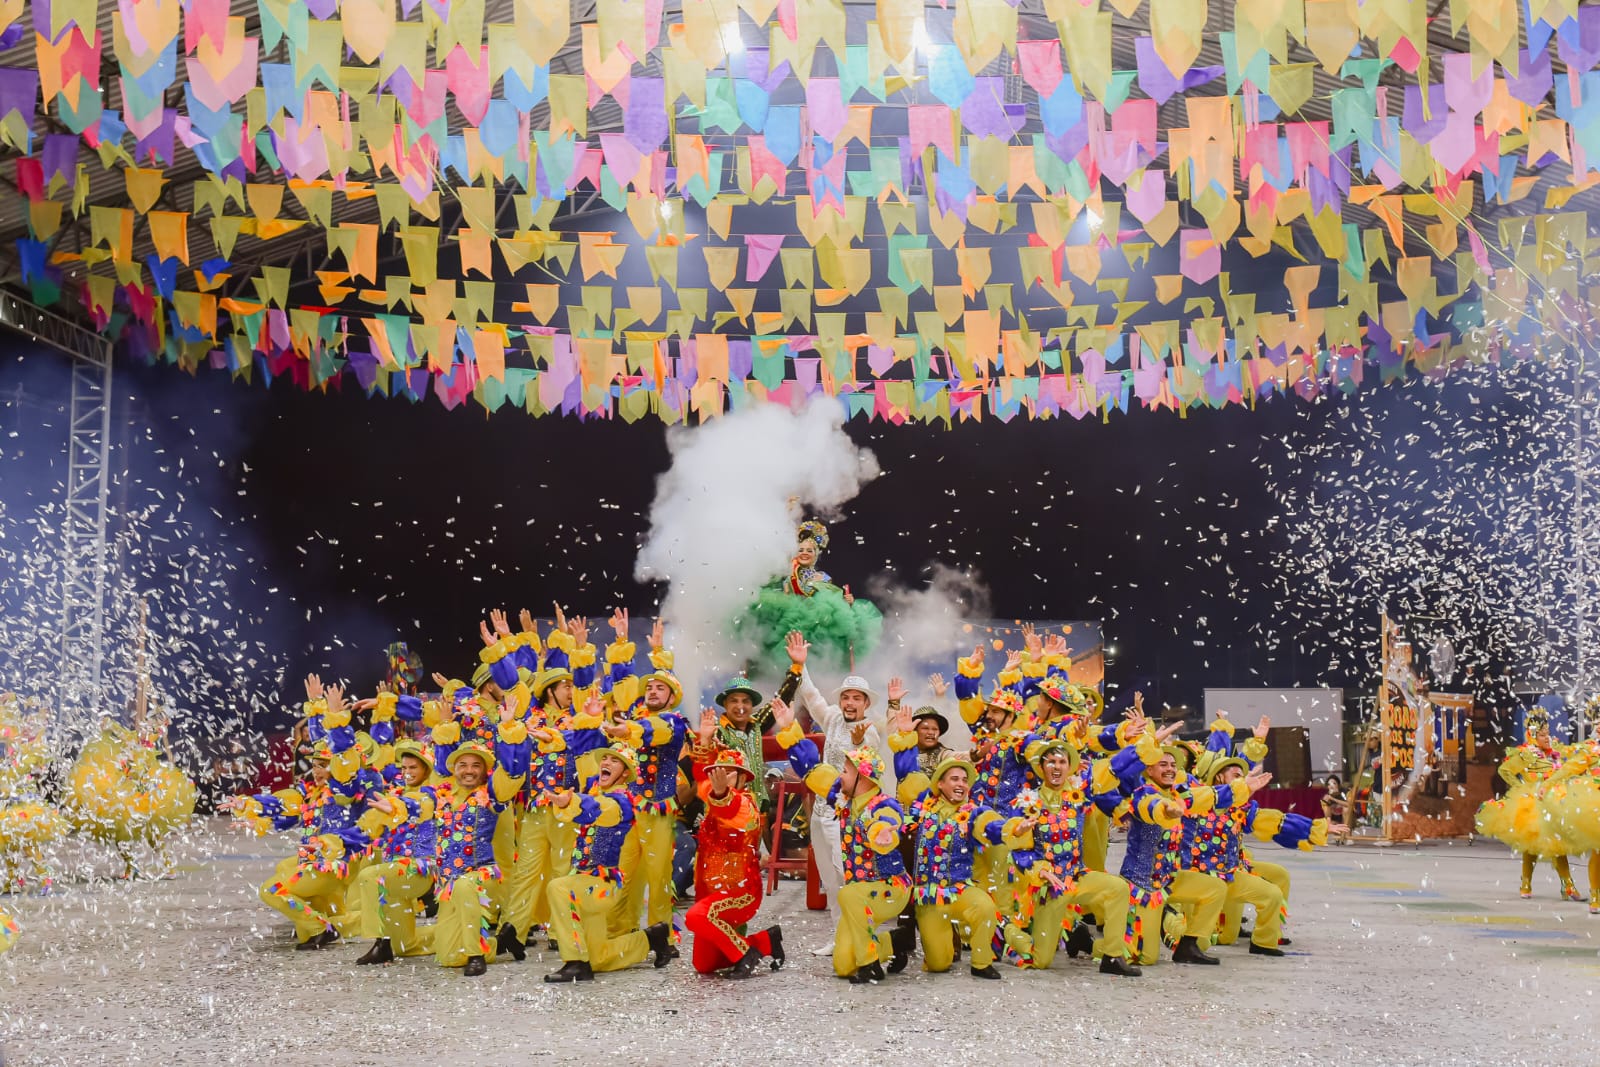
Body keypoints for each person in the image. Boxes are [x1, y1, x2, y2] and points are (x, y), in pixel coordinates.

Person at [888, 706, 1034, 980]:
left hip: (959, 891)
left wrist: (1014, 827)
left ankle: (981, 962)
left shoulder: (972, 812)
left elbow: (991, 826)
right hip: (930, 896)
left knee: (986, 906)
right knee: (939, 963)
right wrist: (906, 737)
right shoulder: (923, 804)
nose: (961, 784)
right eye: (954, 779)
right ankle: (891, 944)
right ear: (940, 784)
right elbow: (906, 773)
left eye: (965, 780)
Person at [771, 696, 908, 983]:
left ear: (864, 777)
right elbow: (813, 770)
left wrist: (883, 833)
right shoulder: (843, 798)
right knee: (843, 965)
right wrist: (789, 730)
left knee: (847, 894)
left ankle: (870, 965)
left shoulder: (883, 804)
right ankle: (893, 943)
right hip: (860, 895)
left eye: (845, 771)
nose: (840, 775)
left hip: (889, 889)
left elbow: (889, 822)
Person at [788, 630, 894, 955]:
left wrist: (860, 743)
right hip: (821, 810)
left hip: (847, 817)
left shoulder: (870, 731)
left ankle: (861, 937)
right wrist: (801, 665)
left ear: (865, 704)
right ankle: (839, 937)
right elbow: (810, 696)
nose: (849, 702)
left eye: (856, 698)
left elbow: (868, 768)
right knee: (830, 880)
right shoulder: (833, 717)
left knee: (848, 878)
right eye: (846, 697)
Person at [1117, 744, 1270, 966]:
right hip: (1143, 886)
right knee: (1143, 957)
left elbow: (1208, 795)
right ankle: (1091, 942)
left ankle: (1188, 946)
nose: (1170, 769)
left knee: (1215, 887)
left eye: (1173, 765)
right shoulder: (1143, 794)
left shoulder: (1179, 794)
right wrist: (1165, 810)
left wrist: (1240, 788)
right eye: (1163, 764)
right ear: (1149, 770)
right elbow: (1152, 806)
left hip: (1170, 879)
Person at [1006, 735, 1144, 976]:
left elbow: (1111, 769)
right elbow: (1019, 851)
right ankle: (1007, 930)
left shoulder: (1079, 794)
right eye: (1051, 761)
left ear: (1069, 767)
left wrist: (1144, 746)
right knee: (1040, 960)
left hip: (1078, 877)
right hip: (1049, 887)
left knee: (1119, 889)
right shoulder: (1027, 802)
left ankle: (1111, 957)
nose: (1056, 767)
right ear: (1041, 767)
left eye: (1062, 762)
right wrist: (1041, 870)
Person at [544, 744, 674, 982]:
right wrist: (564, 804)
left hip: (603, 885)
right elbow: (577, 811)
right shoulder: (596, 793)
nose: (606, 762)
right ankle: (651, 938)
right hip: (585, 880)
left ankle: (575, 962)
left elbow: (598, 811)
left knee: (559, 887)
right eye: (604, 758)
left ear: (624, 774)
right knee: (598, 958)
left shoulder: (621, 801)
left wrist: (571, 802)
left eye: (614, 761)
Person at [429, 711, 532, 976]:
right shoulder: (443, 794)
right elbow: (416, 802)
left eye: (476, 765)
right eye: (463, 765)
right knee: (449, 957)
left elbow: (512, 772)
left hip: (482, 875)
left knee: (466, 885)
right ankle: (502, 943)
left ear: (485, 770)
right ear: (454, 769)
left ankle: (477, 956)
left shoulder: (492, 794)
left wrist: (508, 728)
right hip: (449, 882)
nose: (469, 770)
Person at [683, 726, 784, 977]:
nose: (721, 776)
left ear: (742, 779)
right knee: (704, 965)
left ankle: (745, 954)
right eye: (718, 772)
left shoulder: (746, 806)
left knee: (694, 916)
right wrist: (704, 741)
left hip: (740, 893)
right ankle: (765, 942)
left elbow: (729, 810)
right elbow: (703, 781)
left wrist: (721, 793)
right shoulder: (713, 797)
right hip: (711, 893)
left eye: (729, 772)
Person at [737, 518, 883, 676]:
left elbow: (832, 601)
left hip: (814, 629)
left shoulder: (822, 577)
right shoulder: (787, 573)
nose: (804, 553)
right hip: (786, 624)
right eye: (801, 550)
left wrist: (849, 602)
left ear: (816, 555)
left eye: (809, 550)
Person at [1476, 709, 1579, 899]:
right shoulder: (1527, 754)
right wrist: (1521, 787)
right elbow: (1505, 770)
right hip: (1533, 803)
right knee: (1531, 845)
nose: (1547, 737)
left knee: (1557, 843)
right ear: (1532, 735)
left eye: (1548, 733)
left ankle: (1567, 885)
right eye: (1542, 734)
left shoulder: (1553, 751)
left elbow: (1570, 758)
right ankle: (1526, 883)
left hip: (1553, 801)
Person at [351, 739, 438, 964]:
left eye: (413, 767)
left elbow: (415, 805)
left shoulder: (430, 794)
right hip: (394, 874)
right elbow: (368, 827)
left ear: (426, 770)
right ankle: (452, 931)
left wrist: (396, 806)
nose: (408, 772)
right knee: (405, 947)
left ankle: (380, 942)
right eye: (404, 767)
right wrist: (336, 844)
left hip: (417, 870)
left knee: (370, 876)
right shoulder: (396, 793)